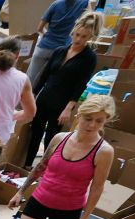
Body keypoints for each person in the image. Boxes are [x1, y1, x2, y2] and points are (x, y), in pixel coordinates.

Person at [25, 11, 99, 167]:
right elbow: (44, 75)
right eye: (77, 35)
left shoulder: (89, 58)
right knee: (35, 133)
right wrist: (32, 94)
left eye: (84, 37)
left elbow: (81, 83)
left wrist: (68, 108)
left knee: (52, 138)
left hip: (62, 103)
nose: (78, 39)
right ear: (72, 33)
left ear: (89, 38)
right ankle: (27, 165)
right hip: (45, 97)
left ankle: (45, 169)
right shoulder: (59, 51)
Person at [26, 0, 90, 84]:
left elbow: (39, 29)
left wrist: (46, 34)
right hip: (62, 51)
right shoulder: (84, 3)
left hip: (44, 47)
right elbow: (90, 20)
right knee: (48, 81)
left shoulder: (56, 4)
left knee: (31, 77)